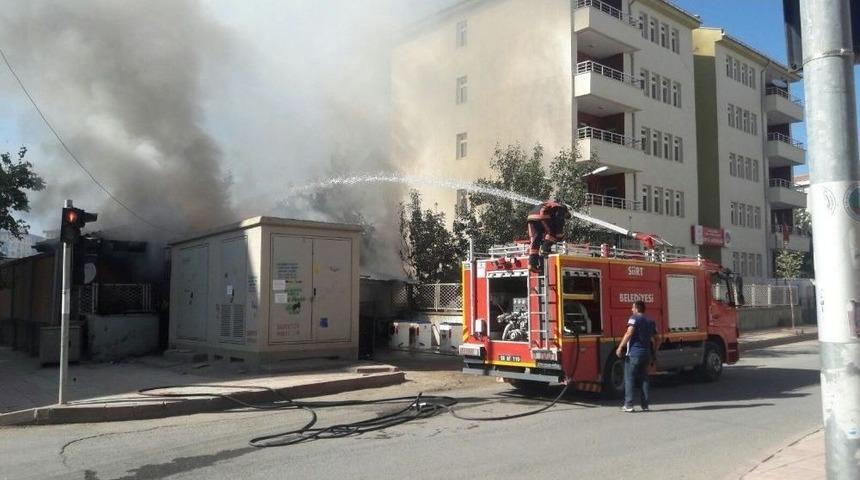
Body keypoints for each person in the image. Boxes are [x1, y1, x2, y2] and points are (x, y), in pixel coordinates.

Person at [616, 300, 656, 412]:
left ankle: (628, 405)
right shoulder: (650, 321)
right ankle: (645, 405)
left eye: (633, 308)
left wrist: (620, 347)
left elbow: (629, 333)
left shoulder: (634, 318)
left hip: (634, 354)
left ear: (637, 309)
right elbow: (657, 339)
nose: (631, 309)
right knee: (644, 379)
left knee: (629, 379)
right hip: (646, 354)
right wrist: (654, 351)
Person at [526, 200, 571, 273]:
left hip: (531, 217)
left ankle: (532, 264)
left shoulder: (552, 205)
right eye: (567, 216)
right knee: (554, 233)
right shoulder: (561, 208)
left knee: (536, 240)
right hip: (542, 214)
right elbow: (559, 221)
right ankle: (545, 249)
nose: (565, 218)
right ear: (567, 210)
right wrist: (560, 234)